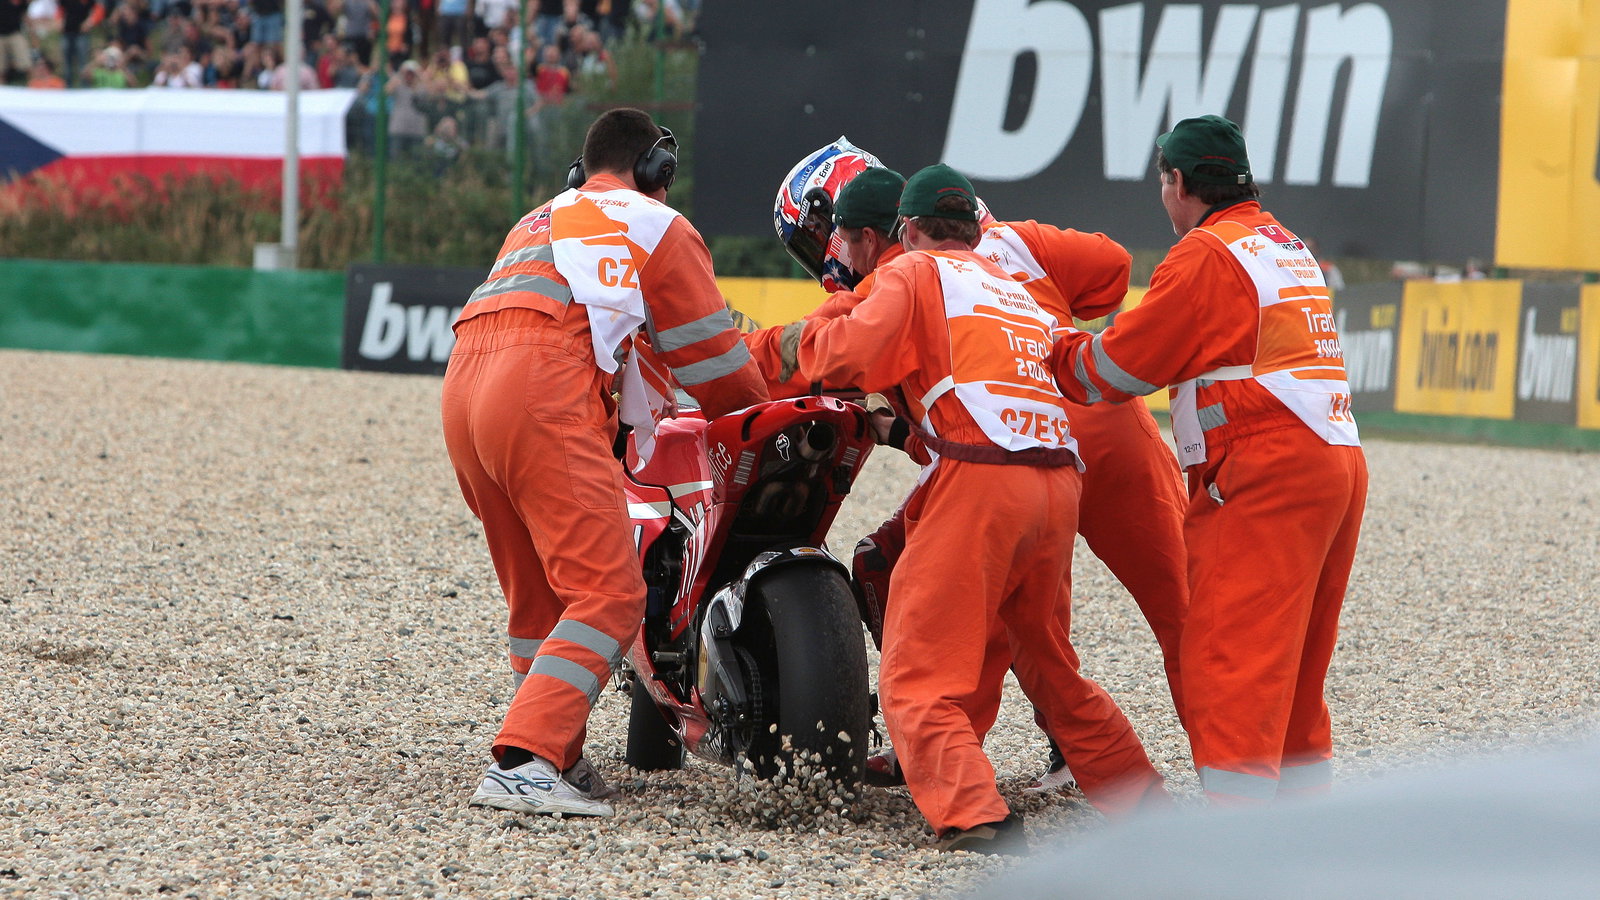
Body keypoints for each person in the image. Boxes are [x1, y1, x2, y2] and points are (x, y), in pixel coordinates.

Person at [759, 139, 1190, 789]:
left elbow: (821, 362)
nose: (825, 252)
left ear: (851, 225)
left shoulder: (897, 273)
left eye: (823, 235)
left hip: (1000, 451)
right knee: (1185, 611)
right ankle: (1241, 779)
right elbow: (1111, 267)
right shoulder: (1009, 240)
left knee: (918, 577)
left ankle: (939, 746)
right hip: (1098, 422)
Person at [442, 108, 769, 818]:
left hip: (464, 391)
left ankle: (561, 752)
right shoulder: (656, 224)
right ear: (659, 171)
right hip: (539, 390)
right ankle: (525, 761)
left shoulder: (541, 216)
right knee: (612, 595)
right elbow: (714, 361)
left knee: (543, 601)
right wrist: (761, 417)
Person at [1049, 114, 1368, 805]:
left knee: (1230, 657)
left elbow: (1118, 367)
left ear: (1179, 182)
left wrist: (1055, 349)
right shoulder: (1284, 242)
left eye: (1163, 183)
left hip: (1265, 466)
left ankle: (1236, 846)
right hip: (1336, 456)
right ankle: (1308, 824)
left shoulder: (1204, 254)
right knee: (1296, 666)